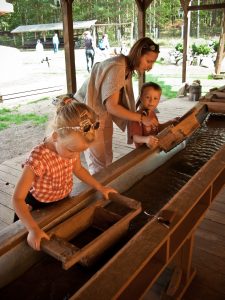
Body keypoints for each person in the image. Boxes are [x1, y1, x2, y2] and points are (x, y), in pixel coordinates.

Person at [12, 96, 117, 251]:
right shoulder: (38, 158)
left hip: (62, 201)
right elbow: (17, 199)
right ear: (55, 136)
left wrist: (100, 187)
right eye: (71, 151)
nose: (74, 156)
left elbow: (79, 170)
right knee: (31, 247)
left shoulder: (69, 147)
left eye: (79, 152)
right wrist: (32, 229)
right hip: (36, 208)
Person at [75, 37, 160, 174]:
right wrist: (141, 118)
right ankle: (99, 192)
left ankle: (105, 189)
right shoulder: (118, 66)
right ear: (138, 54)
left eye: (153, 62)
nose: (150, 66)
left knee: (107, 157)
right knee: (98, 163)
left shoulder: (126, 69)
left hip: (101, 114)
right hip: (87, 115)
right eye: (148, 61)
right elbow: (112, 106)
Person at [130, 82, 180, 149]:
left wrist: (170, 122)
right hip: (143, 152)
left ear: (159, 100)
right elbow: (134, 137)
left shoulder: (152, 113)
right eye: (147, 97)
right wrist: (146, 139)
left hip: (154, 148)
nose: (151, 101)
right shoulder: (137, 117)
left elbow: (158, 128)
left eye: (155, 98)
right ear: (141, 98)